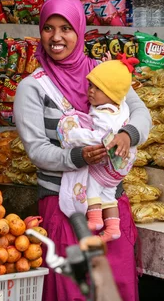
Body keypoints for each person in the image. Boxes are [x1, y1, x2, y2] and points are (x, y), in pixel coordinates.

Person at [14, 0, 151, 301]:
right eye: (49, 28)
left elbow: (142, 113)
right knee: (73, 292)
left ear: (79, 29)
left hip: (109, 205)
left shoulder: (106, 73)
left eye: (66, 28)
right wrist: (77, 156)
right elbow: (37, 151)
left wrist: (128, 134)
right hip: (64, 208)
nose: (57, 37)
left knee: (115, 290)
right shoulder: (33, 87)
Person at [57, 55, 139, 242]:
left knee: (91, 188)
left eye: (98, 88)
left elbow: (101, 137)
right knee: (109, 195)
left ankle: (94, 221)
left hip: (105, 165)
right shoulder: (121, 106)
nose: (91, 92)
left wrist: (76, 135)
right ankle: (113, 228)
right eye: (91, 86)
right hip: (120, 168)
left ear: (111, 93)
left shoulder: (103, 113)